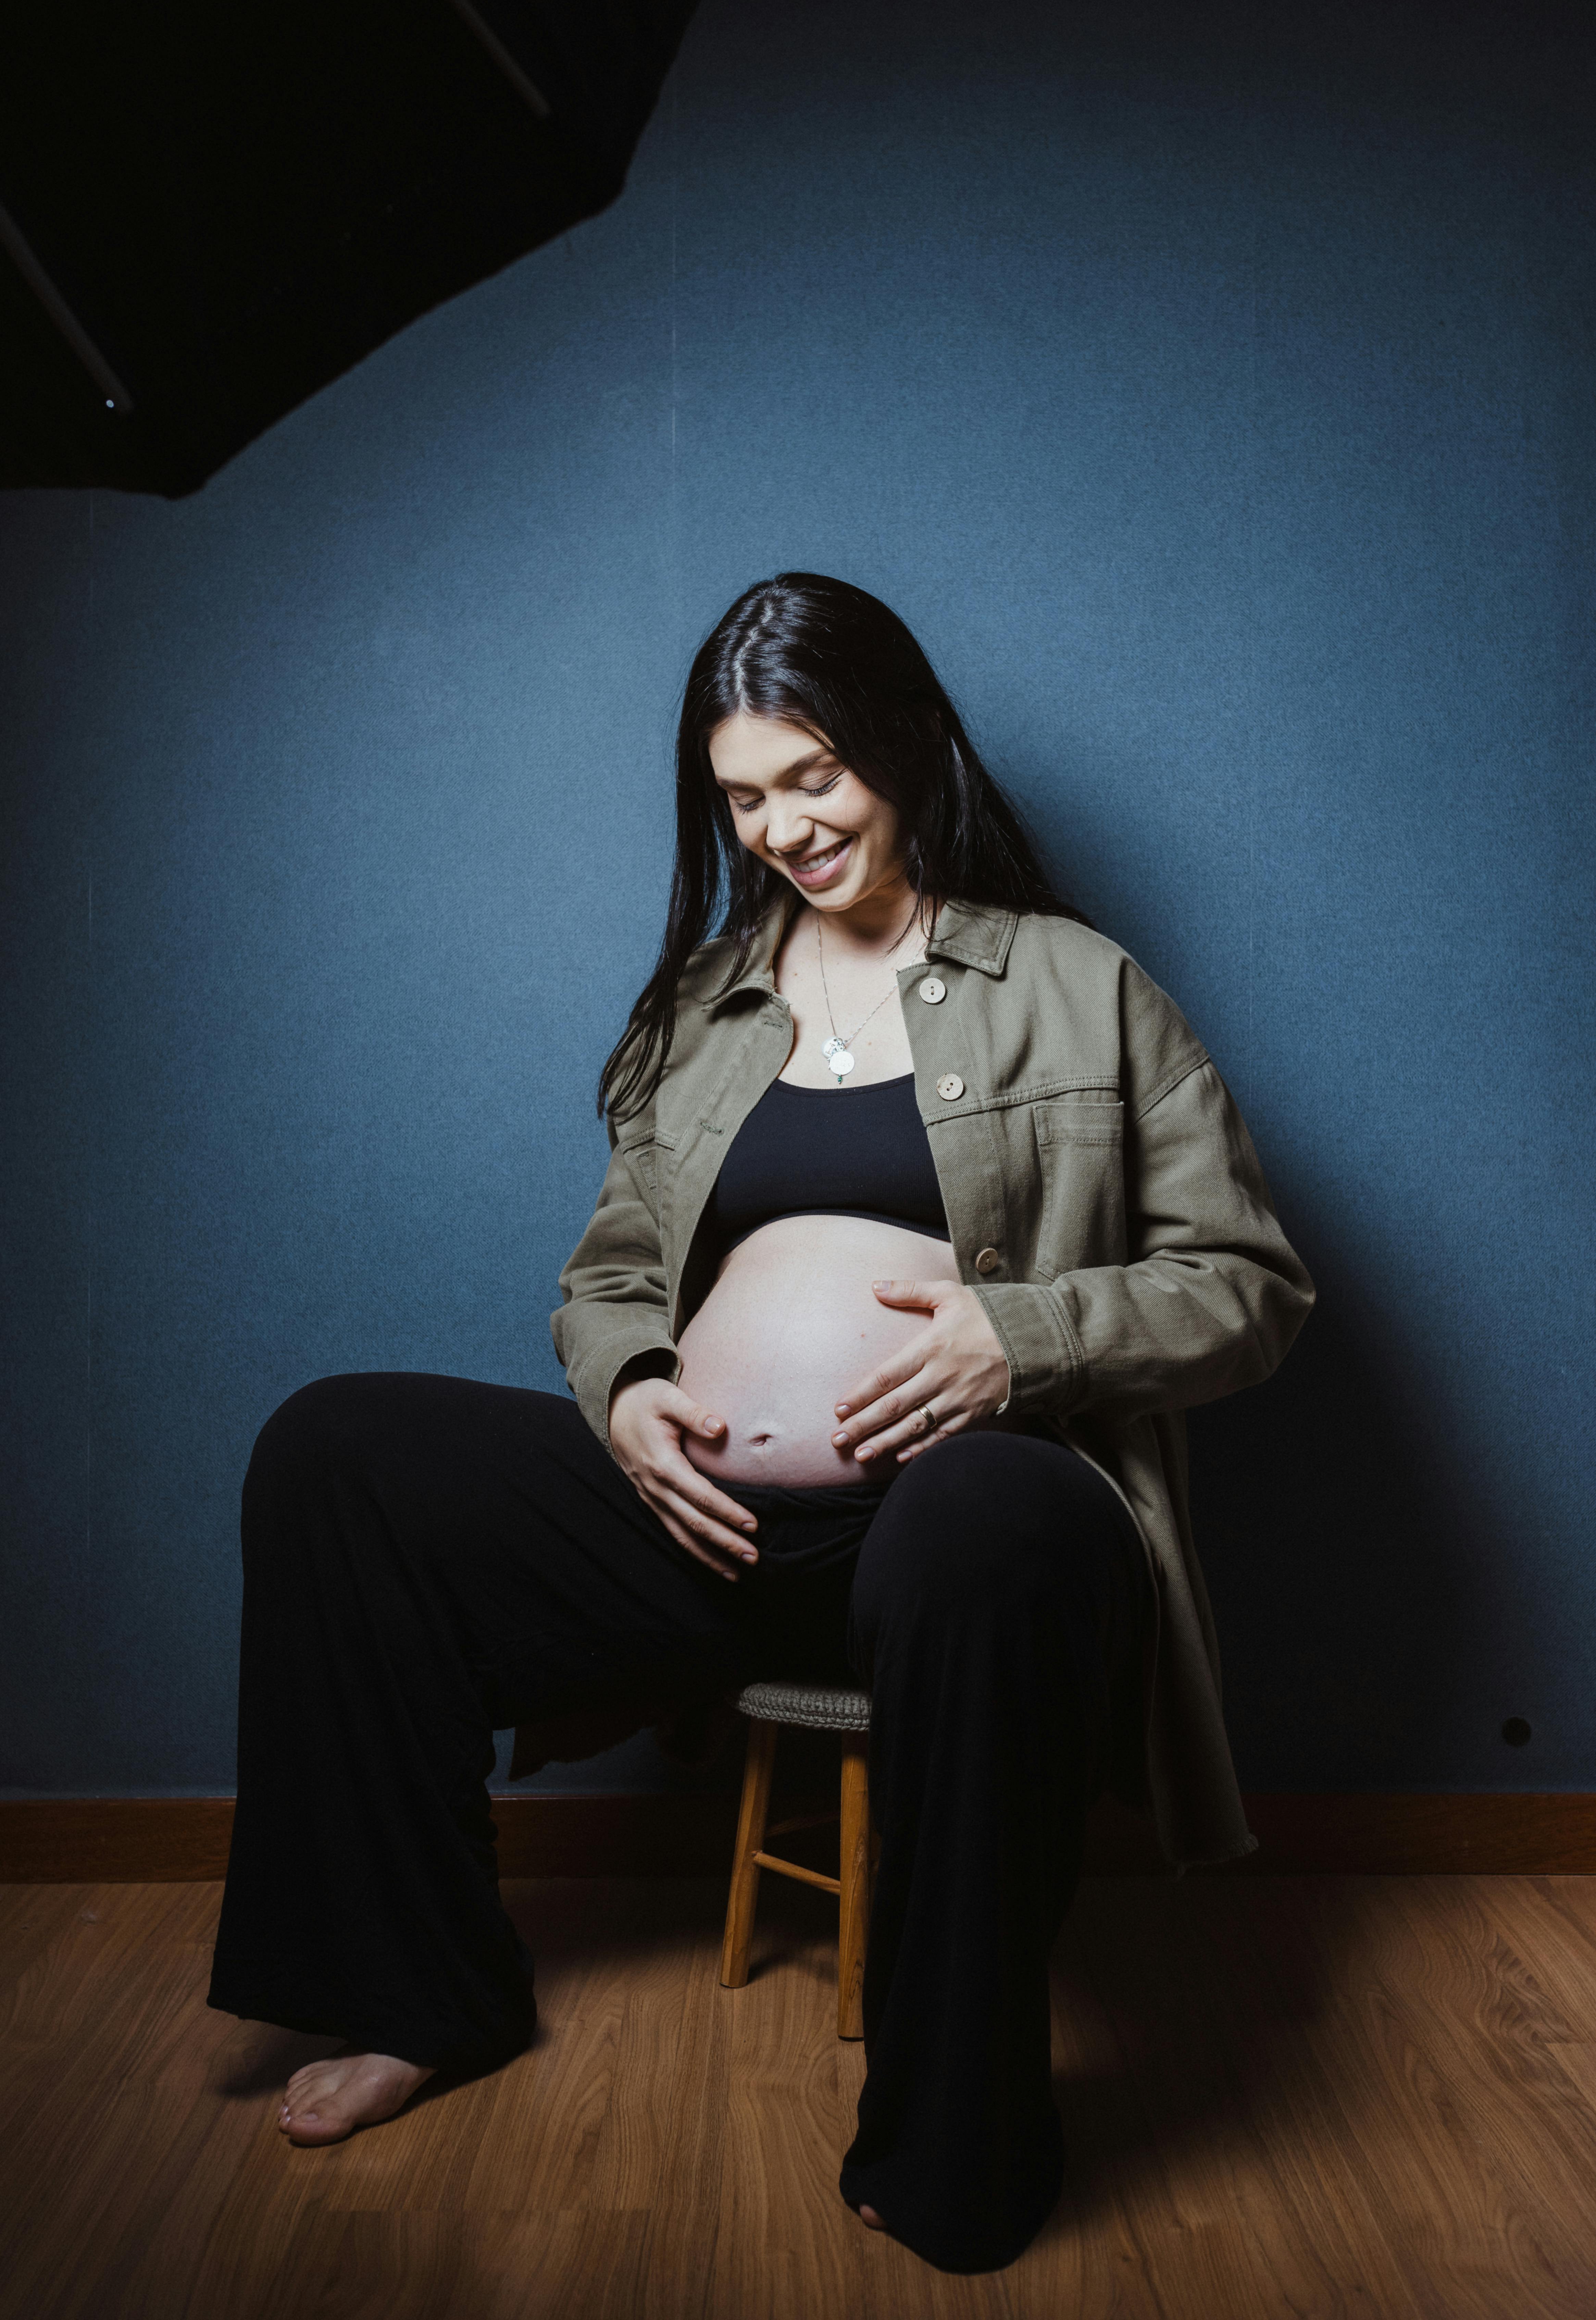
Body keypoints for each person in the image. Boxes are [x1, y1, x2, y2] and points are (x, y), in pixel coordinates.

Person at [207, 572, 1313, 2274]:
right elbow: (605, 1281)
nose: (783, 827)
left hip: (968, 1524)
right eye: (743, 797)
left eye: (813, 778)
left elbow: (1248, 1287)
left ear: (904, 746)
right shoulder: (699, 1012)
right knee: (333, 1451)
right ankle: (415, 1990)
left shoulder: (1080, 986)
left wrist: (1020, 1340)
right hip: (709, 1529)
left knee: (984, 1524)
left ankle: (963, 2127)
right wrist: (632, 1393)